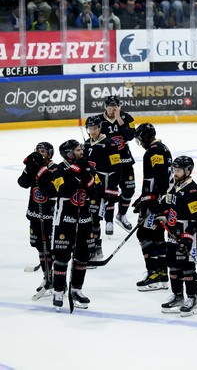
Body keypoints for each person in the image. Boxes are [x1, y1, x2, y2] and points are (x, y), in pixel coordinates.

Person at [48, 140, 97, 311]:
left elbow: (95, 189)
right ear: (69, 153)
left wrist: (85, 173)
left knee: (82, 256)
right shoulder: (57, 170)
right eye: (78, 149)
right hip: (64, 220)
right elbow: (65, 191)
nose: (82, 151)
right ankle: (58, 290)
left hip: (84, 219)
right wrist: (77, 173)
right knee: (61, 257)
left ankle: (76, 289)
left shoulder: (87, 166)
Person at [158, 156, 197, 316]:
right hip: (173, 233)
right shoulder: (174, 187)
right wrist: (163, 215)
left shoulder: (192, 190)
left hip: (187, 234)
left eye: (178, 170)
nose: (175, 173)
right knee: (173, 265)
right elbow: (170, 207)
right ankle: (178, 296)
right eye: (174, 170)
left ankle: (192, 300)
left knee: (187, 268)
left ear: (188, 171)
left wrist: (188, 236)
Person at [131, 123, 172, 292]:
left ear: (147, 135)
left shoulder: (154, 150)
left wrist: (153, 201)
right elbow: (156, 178)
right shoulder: (161, 147)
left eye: (141, 138)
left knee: (144, 234)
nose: (140, 142)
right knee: (157, 235)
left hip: (156, 202)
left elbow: (161, 176)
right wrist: (143, 198)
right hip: (156, 199)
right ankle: (162, 274)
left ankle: (153, 273)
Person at [17, 142, 57, 297]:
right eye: (38, 151)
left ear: (50, 153)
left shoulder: (54, 168)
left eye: (43, 151)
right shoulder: (34, 167)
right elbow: (22, 183)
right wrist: (29, 169)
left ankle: (53, 279)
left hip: (49, 215)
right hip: (34, 212)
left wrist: (42, 175)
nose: (41, 154)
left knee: (49, 246)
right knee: (40, 246)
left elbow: (54, 191)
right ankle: (47, 277)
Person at [83, 115, 121, 262]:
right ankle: (91, 248)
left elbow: (116, 168)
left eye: (94, 128)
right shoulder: (86, 144)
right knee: (88, 218)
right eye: (90, 128)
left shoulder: (109, 144)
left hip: (102, 187)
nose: (92, 131)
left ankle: (96, 250)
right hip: (89, 187)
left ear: (100, 128)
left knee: (94, 219)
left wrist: (111, 190)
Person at [98, 95, 136, 235]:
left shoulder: (127, 118)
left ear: (119, 107)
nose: (112, 110)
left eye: (115, 108)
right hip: (108, 164)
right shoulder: (98, 120)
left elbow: (130, 136)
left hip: (125, 160)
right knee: (110, 192)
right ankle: (108, 221)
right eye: (109, 108)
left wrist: (119, 119)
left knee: (129, 190)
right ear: (105, 107)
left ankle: (121, 215)